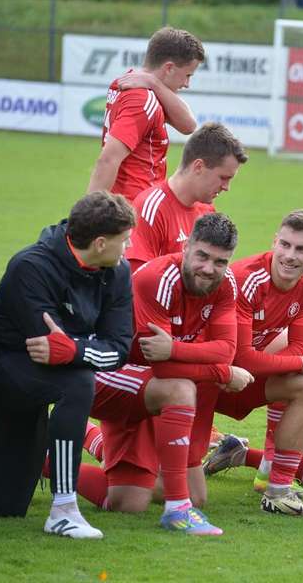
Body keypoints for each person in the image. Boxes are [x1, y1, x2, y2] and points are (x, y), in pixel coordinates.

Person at [0, 192, 134, 539]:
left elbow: (120, 348)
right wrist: (81, 350)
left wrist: (75, 350)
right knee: (78, 382)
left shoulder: (117, 273)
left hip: (35, 380)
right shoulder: (31, 266)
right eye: (124, 240)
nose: (127, 248)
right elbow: (45, 346)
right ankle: (64, 509)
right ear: (99, 243)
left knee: (5, 504)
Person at [81, 213, 243, 536]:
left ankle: (71, 441)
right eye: (202, 256)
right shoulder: (156, 278)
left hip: (152, 386)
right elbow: (163, 367)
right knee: (179, 389)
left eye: (221, 262)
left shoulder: (226, 285)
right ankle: (176, 511)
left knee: (189, 496)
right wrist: (221, 371)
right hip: (110, 374)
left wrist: (176, 350)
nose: (209, 269)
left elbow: (226, 348)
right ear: (187, 248)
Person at [202, 210, 303, 518]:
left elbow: (300, 344)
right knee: (171, 492)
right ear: (274, 242)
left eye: (301, 249)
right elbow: (242, 357)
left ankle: (277, 486)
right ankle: (91, 437)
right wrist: (301, 362)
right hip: (205, 381)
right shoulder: (247, 278)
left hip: (245, 377)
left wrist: (301, 362)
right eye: (284, 245)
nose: (289, 255)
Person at [88, 26, 204, 201]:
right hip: (134, 206)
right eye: (187, 75)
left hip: (131, 204)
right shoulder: (142, 99)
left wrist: (153, 82)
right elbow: (108, 159)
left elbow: (188, 125)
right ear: (169, 68)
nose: (187, 84)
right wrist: (88, 217)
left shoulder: (127, 83)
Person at [126, 123, 247, 272]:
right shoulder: (150, 209)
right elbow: (137, 281)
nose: (226, 187)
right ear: (198, 167)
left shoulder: (207, 210)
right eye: (223, 177)